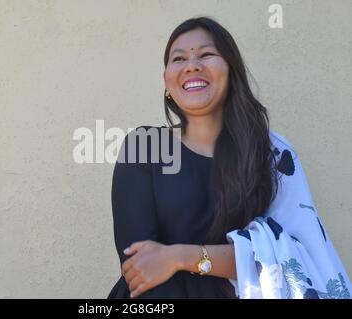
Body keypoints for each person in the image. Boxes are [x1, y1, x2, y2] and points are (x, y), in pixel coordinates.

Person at [107, 17, 351, 299]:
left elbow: (294, 252)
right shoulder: (145, 146)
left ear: (231, 71)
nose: (192, 65)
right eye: (178, 58)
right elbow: (141, 267)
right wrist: (222, 258)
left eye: (207, 54)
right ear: (166, 80)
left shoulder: (270, 154)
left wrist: (179, 256)